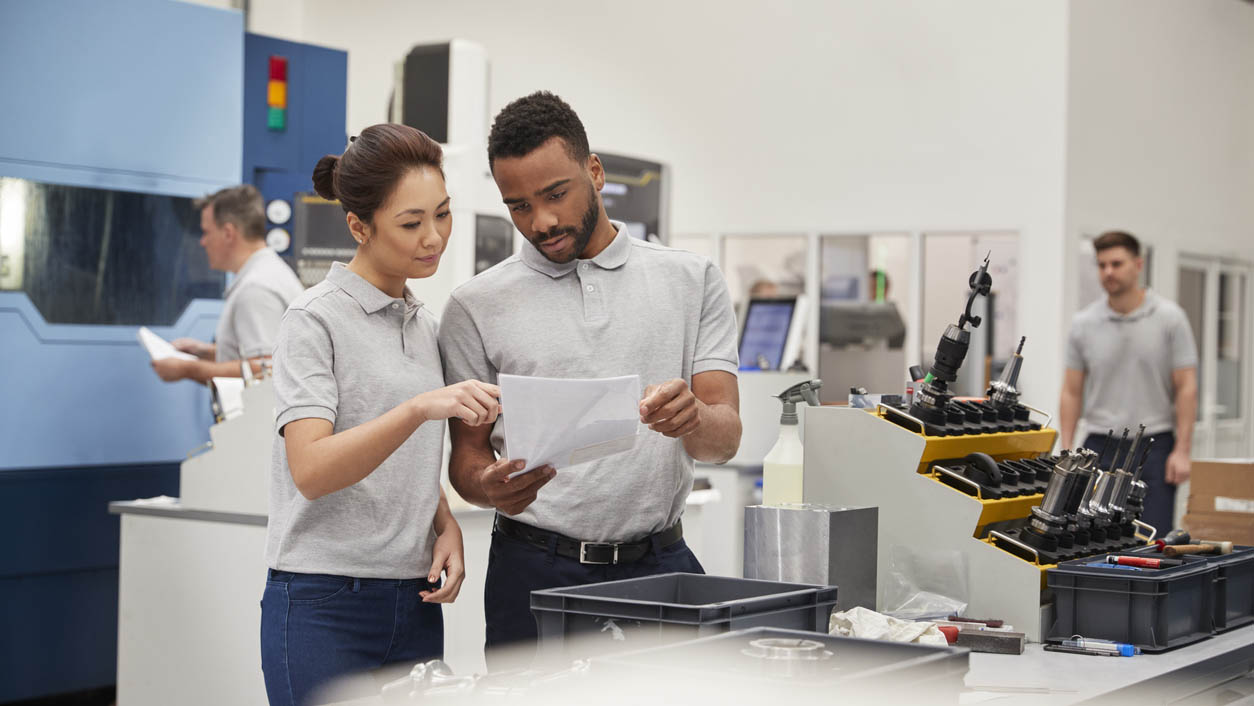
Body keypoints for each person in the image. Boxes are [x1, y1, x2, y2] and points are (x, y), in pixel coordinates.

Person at [437, 91, 743, 665]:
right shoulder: (474, 306)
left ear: (594, 172)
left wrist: (693, 418)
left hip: (659, 564)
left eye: (556, 195)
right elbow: (466, 461)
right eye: (519, 206)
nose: (542, 221)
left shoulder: (691, 280)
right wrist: (488, 486)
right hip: (531, 571)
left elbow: (725, 439)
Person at [260, 124, 500, 706]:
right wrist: (418, 408)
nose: (434, 238)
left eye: (442, 215)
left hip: (413, 602)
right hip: (322, 604)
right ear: (359, 226)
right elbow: (312, 470)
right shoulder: (313, 320)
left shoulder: (424, 324)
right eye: (411, 224)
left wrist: (443, 523)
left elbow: (401, 462)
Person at [1059, 230, 1198, 534]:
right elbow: (1071, 391)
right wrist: (1067, 448)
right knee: (1088, 537)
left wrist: (1183, 450)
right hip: (1098, 444)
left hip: (1154, 446)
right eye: (1102, 264)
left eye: (1116, 263)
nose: (1108, 271)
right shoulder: (1084, 324)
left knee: (1152, 537)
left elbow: (1186, 386)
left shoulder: (1170, 318)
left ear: (1138, 264)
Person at [151, 184, 304, 383]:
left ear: (228, 233)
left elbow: (266, 370)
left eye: (206, 232)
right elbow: (254, 358)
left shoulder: (256, 289)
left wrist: (189, 369)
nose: (202, 242)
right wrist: (206, 352)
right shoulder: (266, 273)